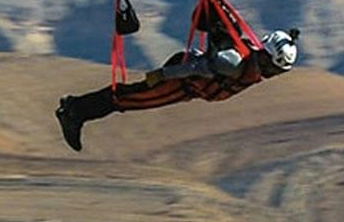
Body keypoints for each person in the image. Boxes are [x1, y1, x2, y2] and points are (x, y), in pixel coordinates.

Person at [55, 28, 299, 152]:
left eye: (277, 71)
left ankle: (75, 107)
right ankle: (74, 112)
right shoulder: (236, 65)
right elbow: (197, 68)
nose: (271, 74)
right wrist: (164, 75)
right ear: (265, 56)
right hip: (180, 81)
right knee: (126, 99)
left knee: (128, 96)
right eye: (272, 67)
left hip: (185, 83)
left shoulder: (247, 65)